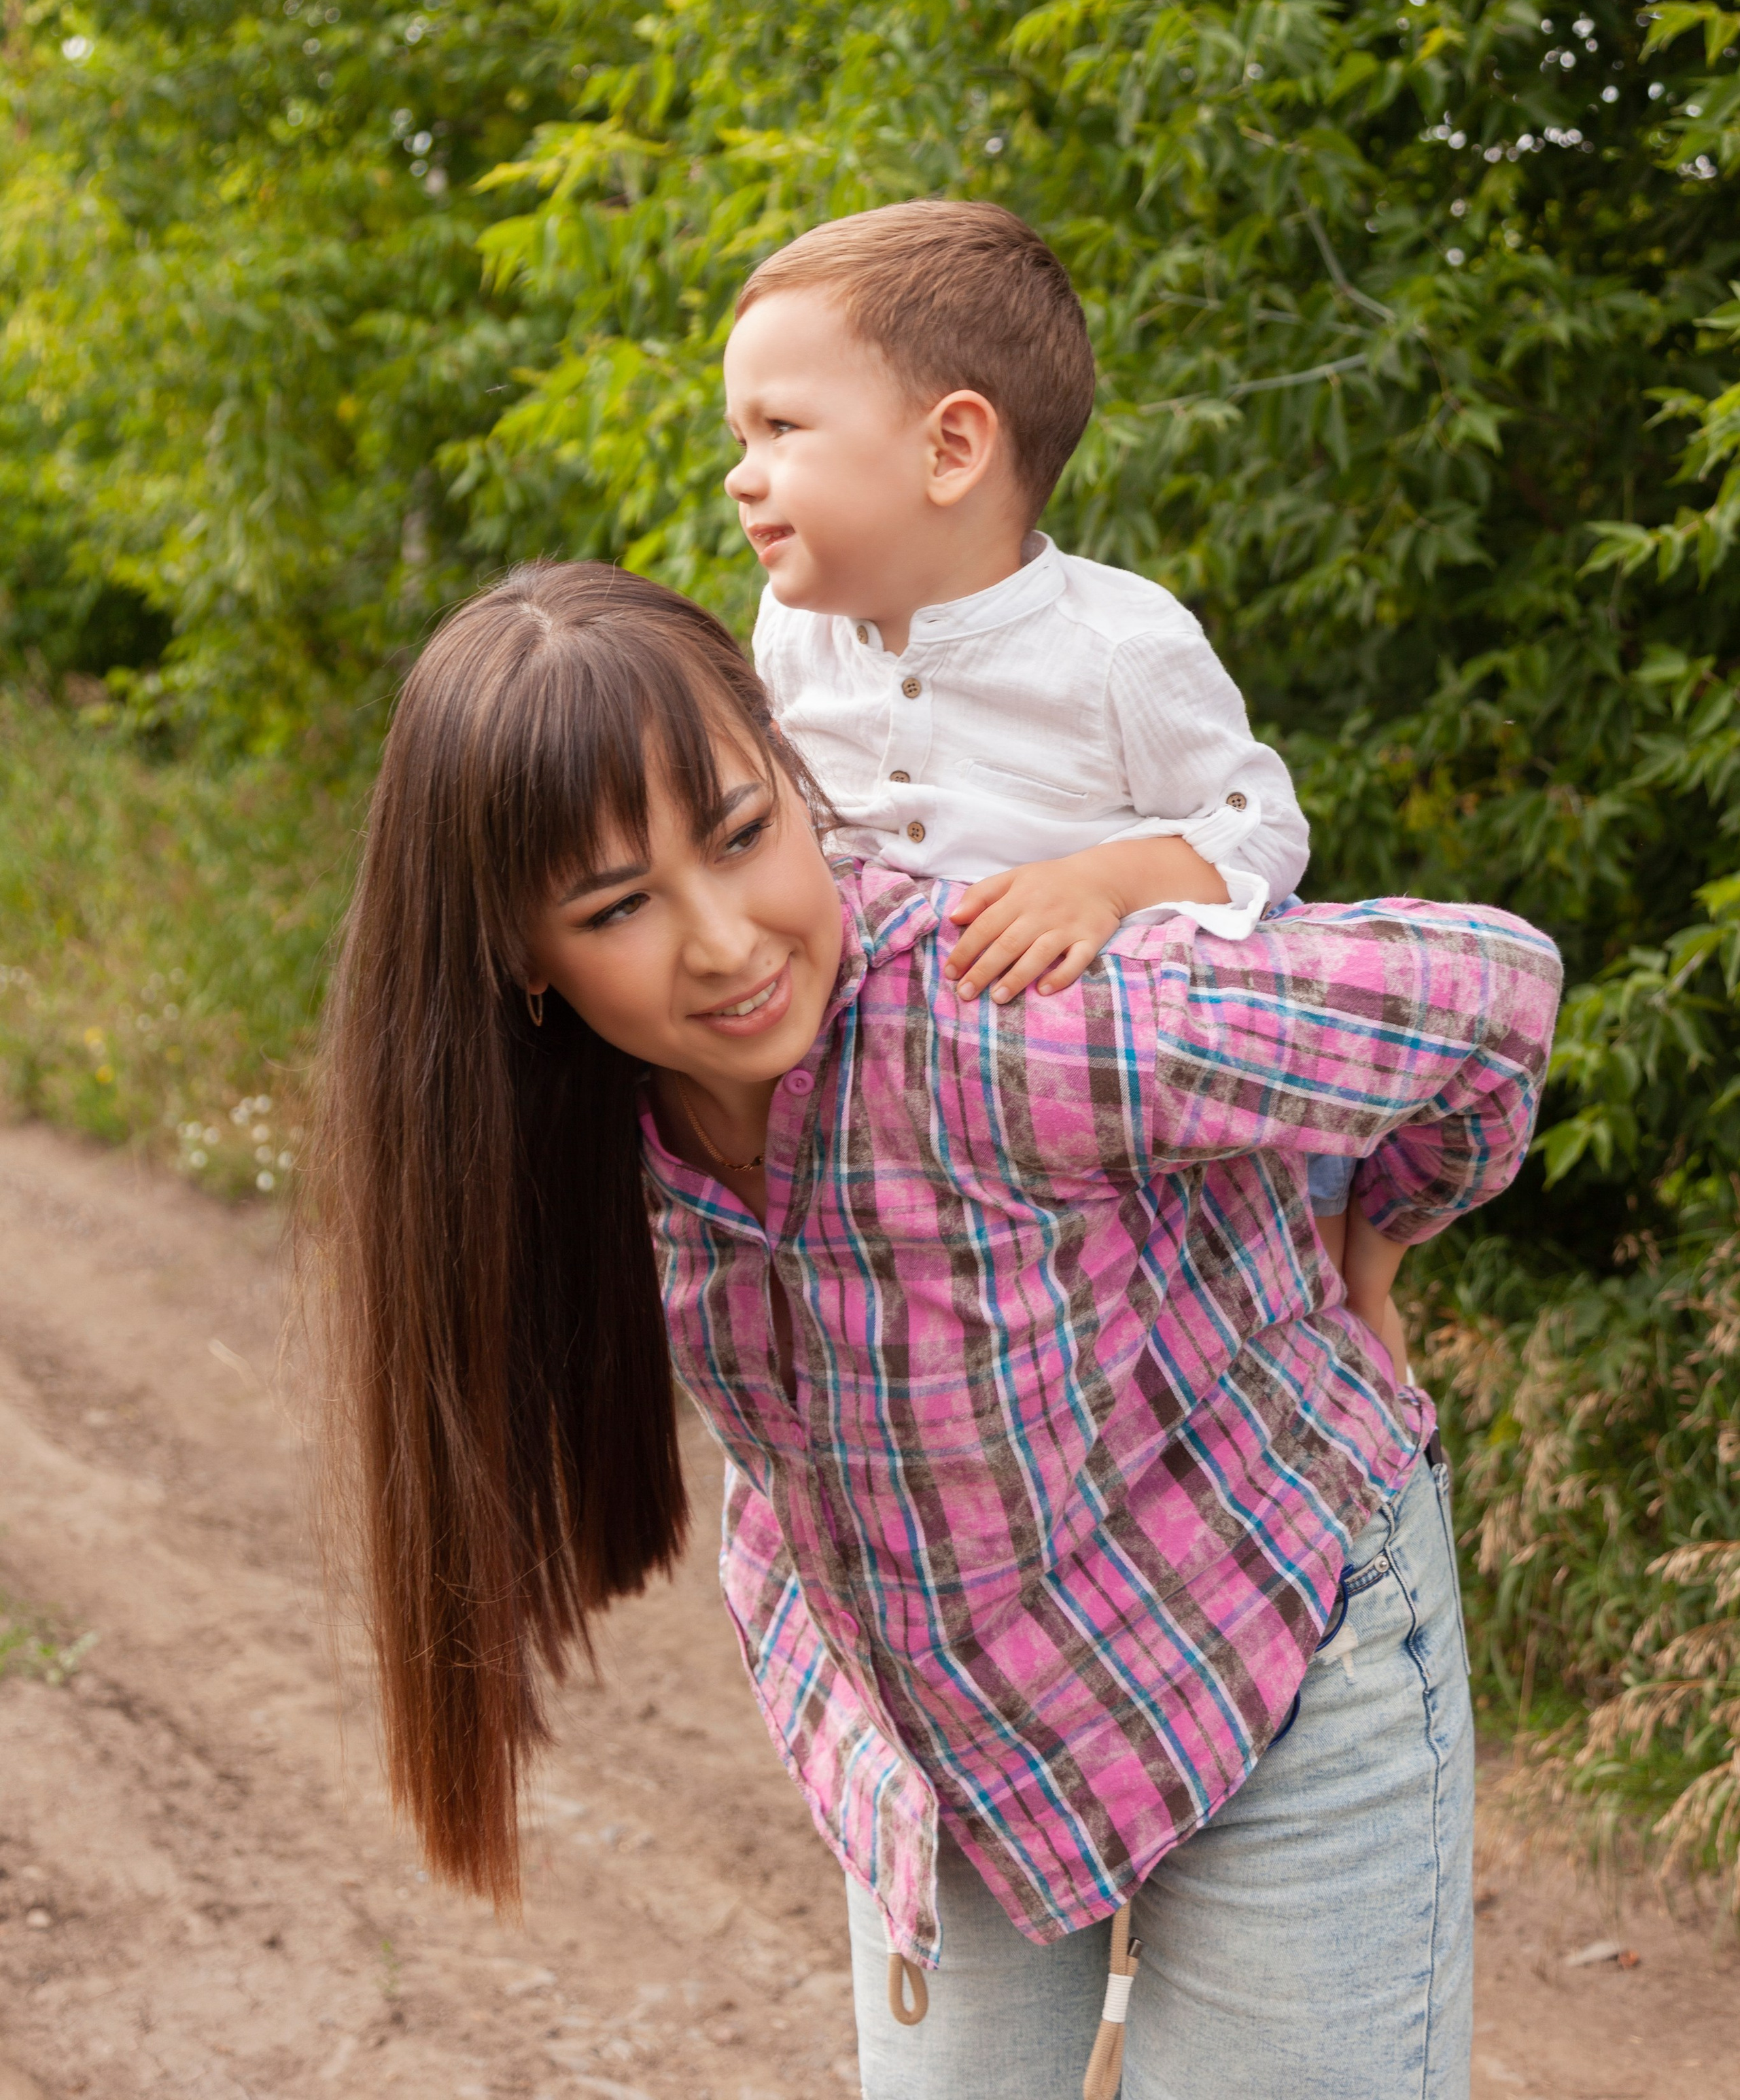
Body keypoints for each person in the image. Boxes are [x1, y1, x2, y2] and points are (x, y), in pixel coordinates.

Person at [308, 559, 1562, 2100]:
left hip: (1276, 1632)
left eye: (743, 833)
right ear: (520, 961)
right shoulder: (577, 1134)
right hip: (947, 1733)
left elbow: (1487, 993)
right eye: (618, 906)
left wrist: (1371, 1242)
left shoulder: (1011, 1019)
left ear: (796, 770)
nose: (719, 940)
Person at [723, 196, 1388, 1345]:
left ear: (950, 448)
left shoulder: (1116, 646)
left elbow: (1262, 827)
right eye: (742, 439)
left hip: (1104, 1091)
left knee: (1280, 1240)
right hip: (908, 1097)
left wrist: (1110, 882)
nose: (743, 475)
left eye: (781, 429)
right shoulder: (792, 640)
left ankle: (1357, 1305)